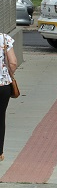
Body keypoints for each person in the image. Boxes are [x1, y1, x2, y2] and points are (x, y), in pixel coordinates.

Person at [0, 33, 18, 162]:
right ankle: (0, 152)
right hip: (3, 86)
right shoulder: (4, 38)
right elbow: (13, 63)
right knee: (0, 117)